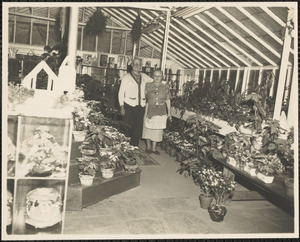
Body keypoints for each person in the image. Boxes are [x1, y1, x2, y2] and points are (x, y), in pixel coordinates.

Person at [118, 57, 153, 147]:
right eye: (135, 64)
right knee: (127, 128)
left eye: (139, 64)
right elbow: (121, 93)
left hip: (141, 106)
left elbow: (154, 81)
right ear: (132, 65)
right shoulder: (126, 77)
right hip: (129, 106)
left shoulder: (144, 76)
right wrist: (122, 106)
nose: (137, 66)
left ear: (141, 66)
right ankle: (124, 146)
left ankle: (134, 147)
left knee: (137, 129)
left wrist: (164, 84)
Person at [142, 69, 172, 154]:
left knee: (157, 129)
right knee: (148, 128)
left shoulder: (165, 86)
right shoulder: (147, 85)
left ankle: (154, 148)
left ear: (162, 76)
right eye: (155, 75)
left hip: (161, 109)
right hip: (150, 108)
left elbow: (168, 99)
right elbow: (143, 97)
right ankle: (148, 146)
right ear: (153, 76)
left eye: (159, 75)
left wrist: (169, 112)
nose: (157, 77)